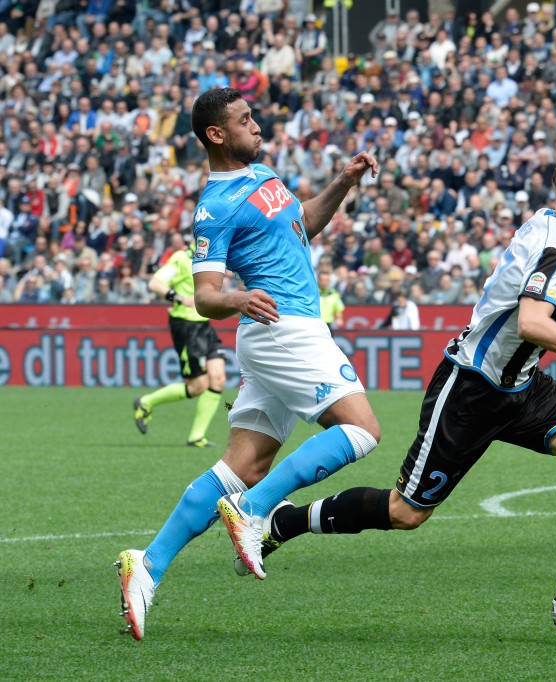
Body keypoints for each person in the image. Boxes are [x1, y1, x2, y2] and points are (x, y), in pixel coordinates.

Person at [227, 144, 556, 632]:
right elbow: (532, 323)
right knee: (405, 513)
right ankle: (282, 523)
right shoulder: (555, 249)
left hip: (522, 387)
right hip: (472, 390)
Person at [115, 88, 381, 641]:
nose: (256, 126)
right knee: (362, 429)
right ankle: (255, 512)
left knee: (240, 467)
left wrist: (343, 181)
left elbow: (302, 223)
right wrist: (238, 296)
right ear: (216, 134)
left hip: (277, 335)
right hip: (285, 328)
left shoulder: (262, 174)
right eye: (244, 120)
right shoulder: (214, 207)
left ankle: (149, 565)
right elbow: (207, 294)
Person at [133, 240, 227, 448]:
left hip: (204, 324)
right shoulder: (182, 258)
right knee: (197, 386)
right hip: (187, 326)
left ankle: (196, 436)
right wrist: (178, 297)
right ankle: (146, 402)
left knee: (218, 379)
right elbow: (154, 284)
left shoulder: (213, 259)